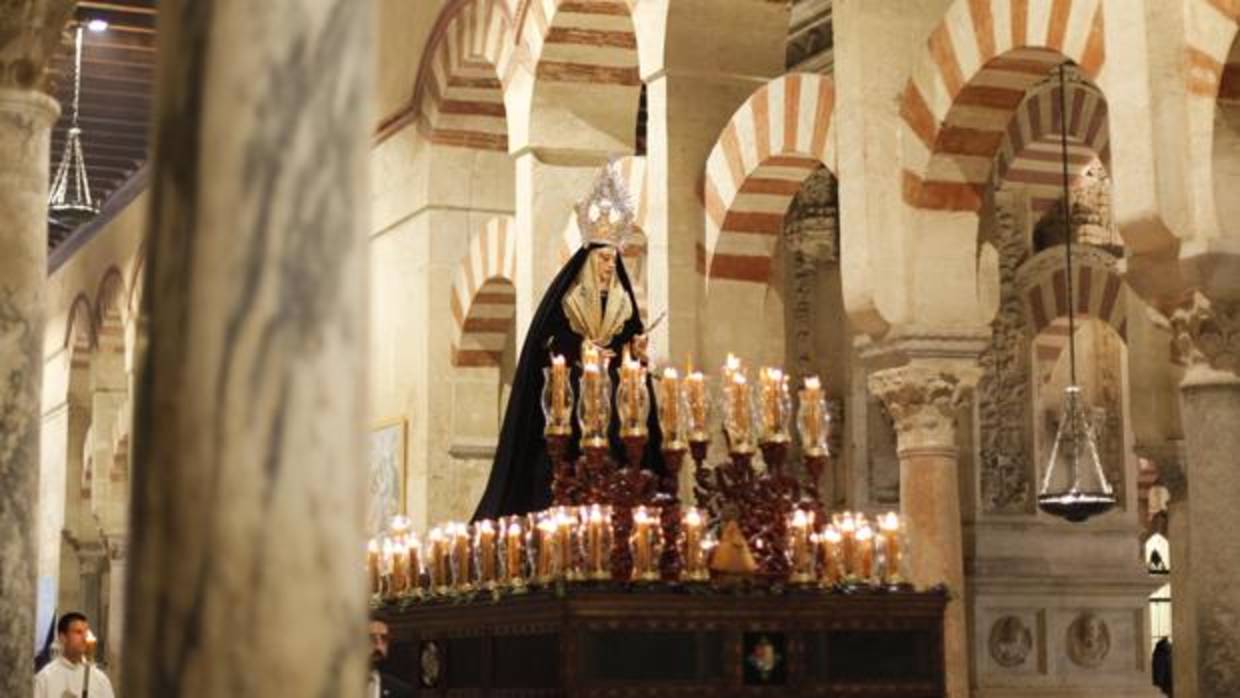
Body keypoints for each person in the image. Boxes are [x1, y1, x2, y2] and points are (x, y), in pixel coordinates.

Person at [473, 162, 664, 519]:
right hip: (569, 417)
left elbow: (628, 356)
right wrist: (581, 353)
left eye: (613, 259)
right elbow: (548, 354)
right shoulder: (566, 304)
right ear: (590, 261)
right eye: (604, 259)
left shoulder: (623, 306)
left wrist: (633, 355)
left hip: (614, 416)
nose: (610, 266)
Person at [33, 611, 114, 698]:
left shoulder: (100, 679)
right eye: (78, 632)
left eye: (86, 632)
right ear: (62, 637)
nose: (84, 638)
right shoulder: (44, 679)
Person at [368, 618, 414, 698]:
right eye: (371, 638)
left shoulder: (400, 691)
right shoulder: (340, 685)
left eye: (384, 638)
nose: (379, 646)